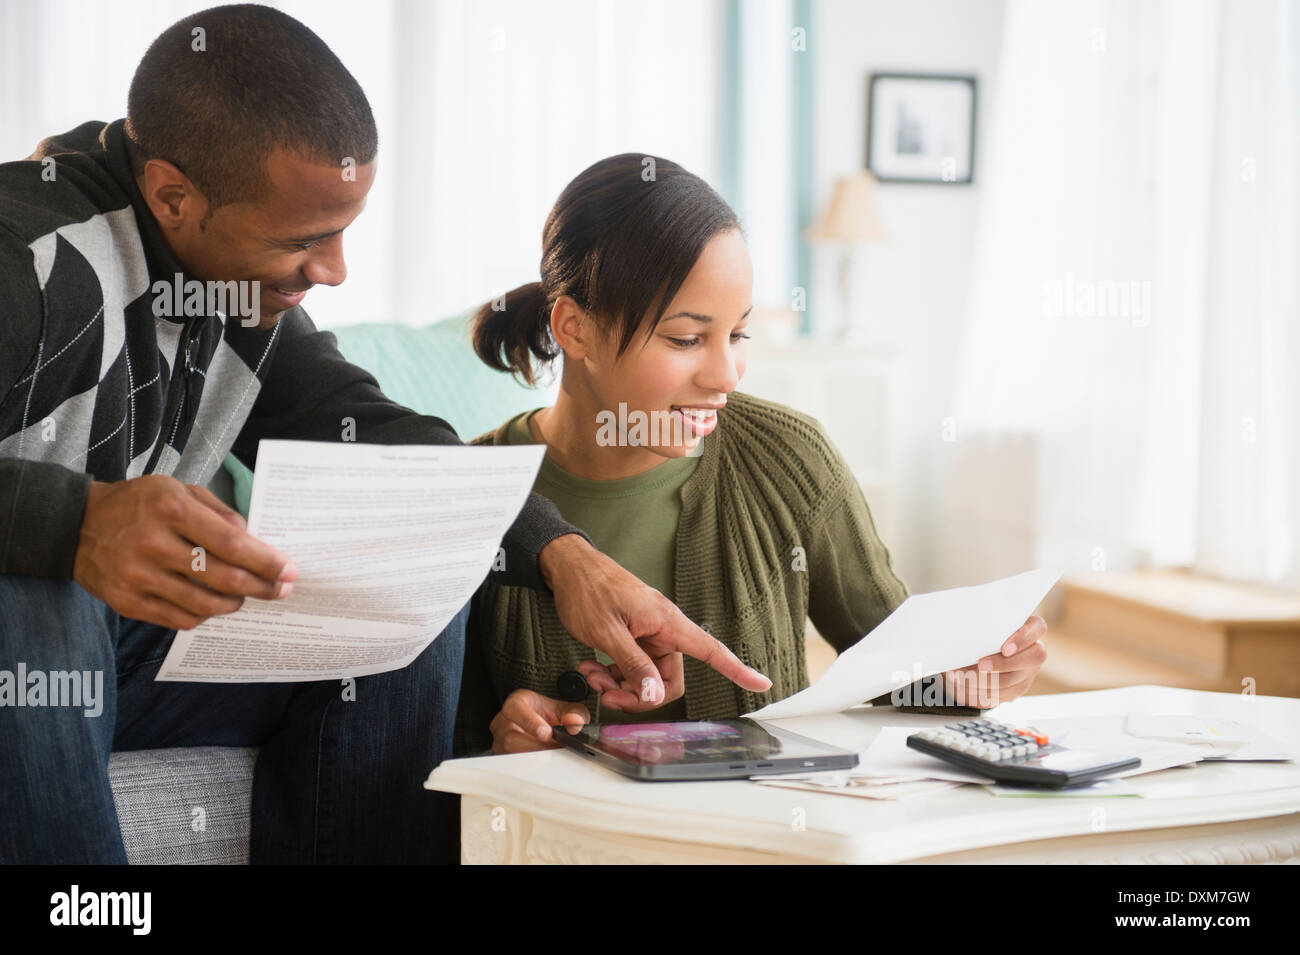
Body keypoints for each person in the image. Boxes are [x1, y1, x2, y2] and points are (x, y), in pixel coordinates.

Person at [0, 6, 768, 864]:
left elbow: (374, 430)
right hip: (31, 653)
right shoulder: (26, 260)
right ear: (172, 194)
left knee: (399, 598)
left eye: (342, 232)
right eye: (305, 239)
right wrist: (77, 521)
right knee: (38, 596)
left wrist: (564, 557)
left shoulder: (230, 285)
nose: (334, 271)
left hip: (113, 655)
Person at [456, 154, 1048, 755]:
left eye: (737, 335)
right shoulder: (467, 497)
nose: (726, 376)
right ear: (574, 328)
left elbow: (893, 667)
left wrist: (966, 676)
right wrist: (499, 742)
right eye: (686, 339)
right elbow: (429, 747)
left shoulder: (789, 456)